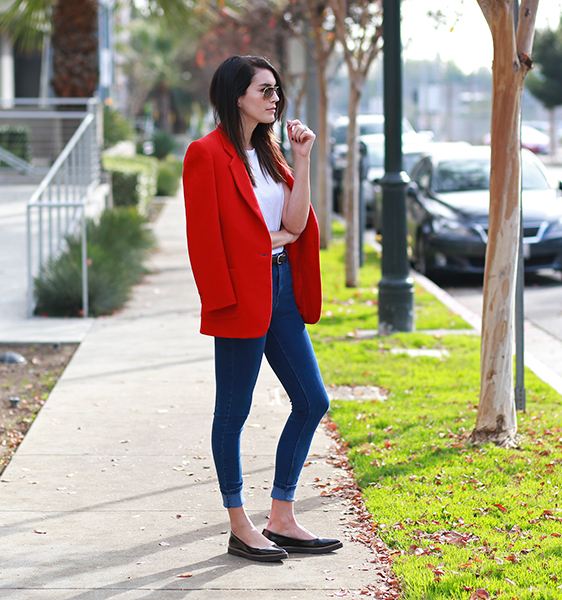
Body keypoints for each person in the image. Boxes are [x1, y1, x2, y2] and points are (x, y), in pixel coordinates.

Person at [182, 55, 341, 563]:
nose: (275, 99)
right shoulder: (205, 154)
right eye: (265, 90)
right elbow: (205, 242)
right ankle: (238, 524)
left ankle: (281, 515)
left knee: (313, 401)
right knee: (233, 413)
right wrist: (226, 298)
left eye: (277, 90)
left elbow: (297, 222)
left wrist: (303, 158)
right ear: (237, 96)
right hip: (239, 293)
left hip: (282, 287)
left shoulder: (271, 151)